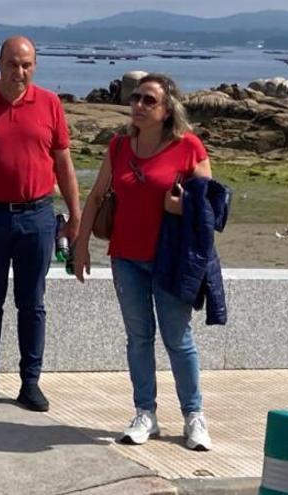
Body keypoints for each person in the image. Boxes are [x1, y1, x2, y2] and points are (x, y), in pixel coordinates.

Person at [73, 74, 213, 450]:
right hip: (126, 259)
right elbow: (97, 196)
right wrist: (80, 244)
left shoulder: (189, 147)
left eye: (149, 100)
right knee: (138, 339)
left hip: (170, 261)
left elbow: (210, 209)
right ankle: (145, 413)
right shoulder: (119, 147)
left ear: (168, 110)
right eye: (136, 98)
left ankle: (194, 416)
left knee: (178, 340)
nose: (138, 105)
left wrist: (181, 207)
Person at [0, 36, 81, 413]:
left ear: (34, 66)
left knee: (32, 303)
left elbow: (64, 164)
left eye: (26, 65)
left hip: (37, 216)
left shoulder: (51, 104)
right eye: (12, 64)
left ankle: (30, 383)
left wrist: (76, 216)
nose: (18, 72)